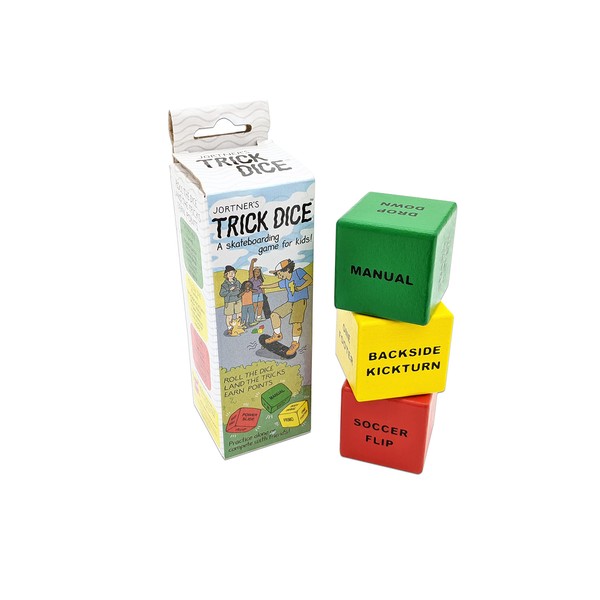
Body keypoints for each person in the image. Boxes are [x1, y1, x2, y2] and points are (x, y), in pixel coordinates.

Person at [260, 259, 312, 356]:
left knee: (296, 322)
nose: (279, 276)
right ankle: (277, 334)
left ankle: (295, 343)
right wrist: (263, 287)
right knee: (274, 315)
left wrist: (300, 288)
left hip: (300, 301)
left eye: (279, 274)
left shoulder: (298, 272)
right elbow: (276, 284)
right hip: (290, 302)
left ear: (287, 269)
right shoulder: (285, 281)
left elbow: (309, 279)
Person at [219, 265, 241, 335]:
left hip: (238, 300)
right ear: (226, 274)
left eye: (233, 273)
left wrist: (238, 291)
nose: (231, 274)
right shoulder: (224, 284)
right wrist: (230, 290)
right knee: (229, 315)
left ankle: (238, 325)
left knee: (239, 313)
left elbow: (241, 289)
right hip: (229, 302)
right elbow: (222, 294)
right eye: (229, 273)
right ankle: (229, 327)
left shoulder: (237, 282)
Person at [248, 257, 265, 324]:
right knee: (254, 307)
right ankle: (252, 318)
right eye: (255, 271)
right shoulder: (251, 279)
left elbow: (262, 286)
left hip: (260, 294)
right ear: (253, 272)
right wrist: (252, 262)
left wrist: (263, 293)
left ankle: (258, 317)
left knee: (260, 305)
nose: (257, 273)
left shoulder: (259, 280)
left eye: (258, 272)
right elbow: (250, 270)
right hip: (254, 294)